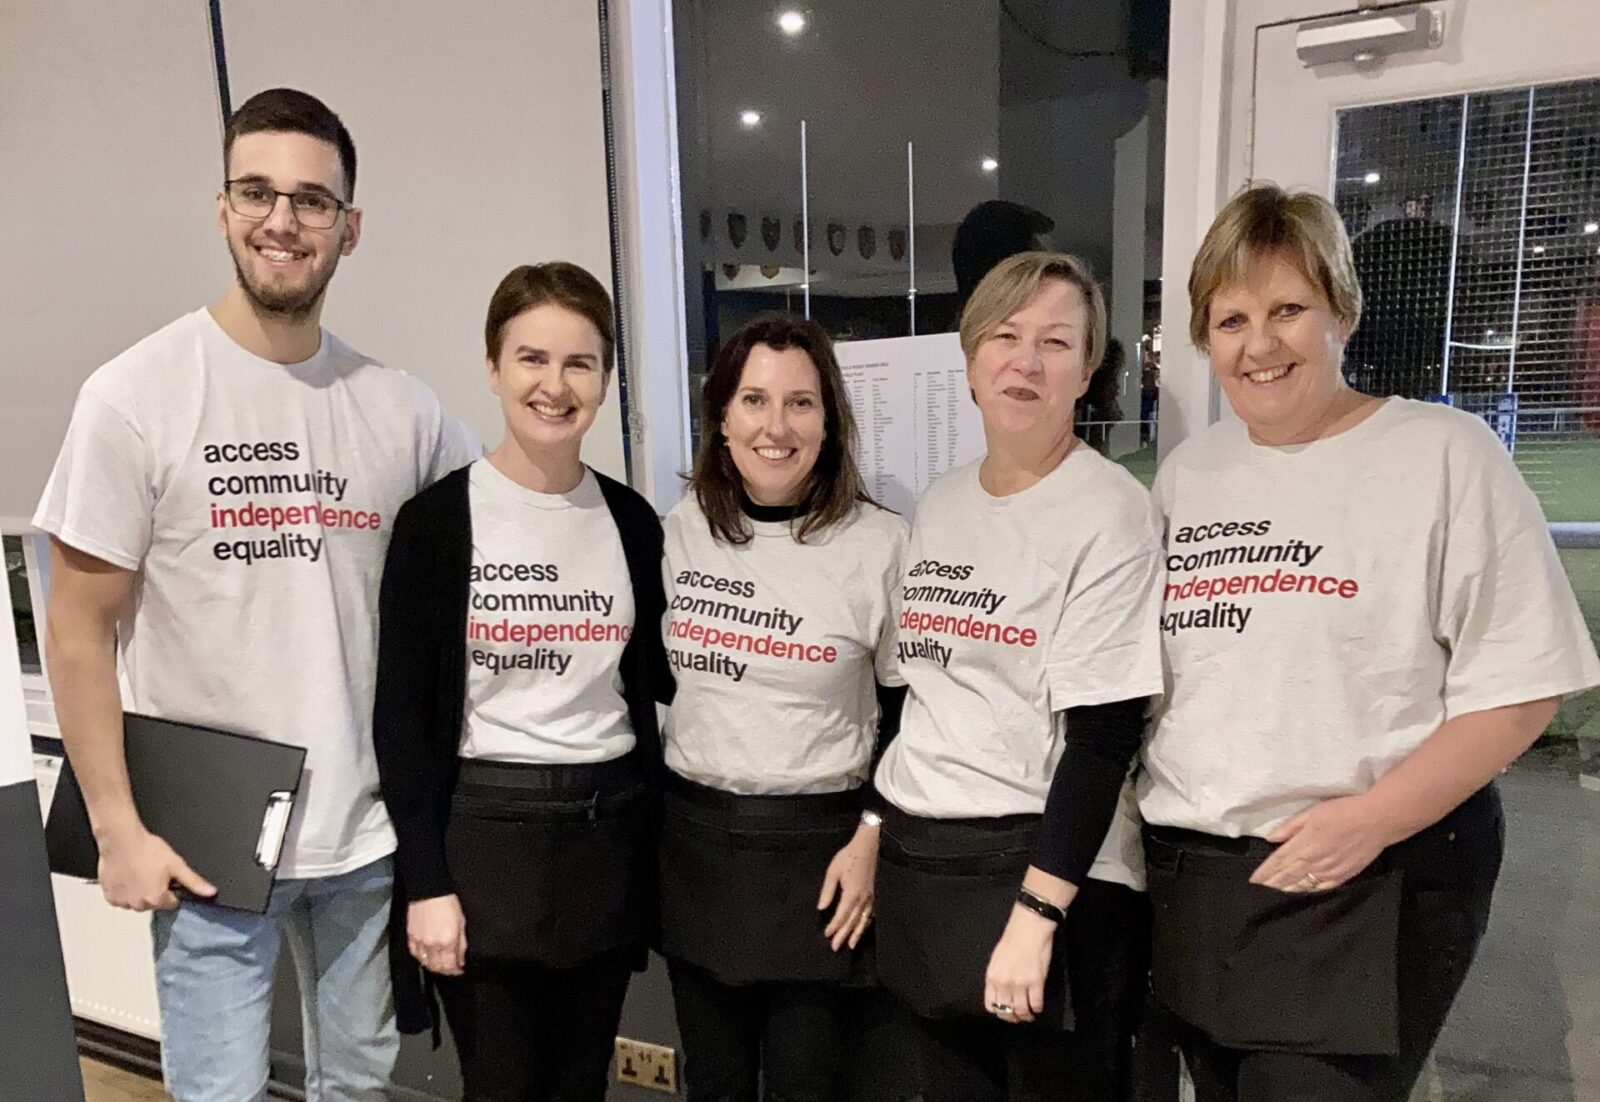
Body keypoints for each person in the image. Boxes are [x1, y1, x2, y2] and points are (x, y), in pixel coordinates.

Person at [34, 88, 479, 1101]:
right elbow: (77, 630)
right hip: (208, 845)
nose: (284, 220)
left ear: (349, 227)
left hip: (365, 839)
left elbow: (504, 528)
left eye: (312, 200)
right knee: (219, 1092)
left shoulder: (400, 409)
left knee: (360, 1088)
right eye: (258, 192)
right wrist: (115, 828)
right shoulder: (136, 395)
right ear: (223, 209)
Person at [1140, 182, 1600, 1102]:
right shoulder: (1190, 475)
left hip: (1368, 879)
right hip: (1199, 882)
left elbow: (1520, 689)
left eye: (1287, 310)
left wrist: (1370, 821)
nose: (1259, 345)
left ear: (1341, 309)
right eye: (1230, 320)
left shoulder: (1444, 454)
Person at [872, 251, 1165, 1101]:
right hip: (930, 866)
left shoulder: (1108, 510)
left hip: (1049, 878)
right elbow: (919, 698)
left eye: (1056, 342)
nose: (1025, 361)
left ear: (1088, 368)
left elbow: (1104, 738)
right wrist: (872, 832)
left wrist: (1036, 918)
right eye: (1004, 336)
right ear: (969, 360)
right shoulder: (942, 502)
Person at [373, 262, 668, 1101]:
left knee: (581, 1086)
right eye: (532, 358)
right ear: (494, 366)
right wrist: (426, 883)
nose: (555, 385)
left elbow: (652, 687)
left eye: (580, 363)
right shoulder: (435, 525)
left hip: (606, 839)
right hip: (483, 849)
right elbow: (402, 722)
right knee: (500, 1086)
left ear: (606, 379)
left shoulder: (631, 522)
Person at [658, 313, 909, 1102]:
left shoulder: (881, 544)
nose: (776, 426)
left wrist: (872, 833)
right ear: (721, 418)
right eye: (754, 400)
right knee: (716, 1086)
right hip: (696, 848)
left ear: (830, 422)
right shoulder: (678, 531)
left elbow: (909, 714)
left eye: (800, 403)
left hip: (823, 860)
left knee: (813, 1085)